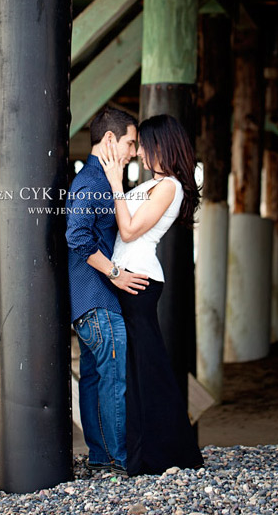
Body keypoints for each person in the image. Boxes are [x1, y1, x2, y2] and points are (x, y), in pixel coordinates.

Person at [100, 113, 204, 476]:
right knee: (140, 369)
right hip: (131, 277)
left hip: (139, 280)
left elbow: (128, 231)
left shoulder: (170, 187)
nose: (141, 152)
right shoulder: (154, 184)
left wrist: (115, 181)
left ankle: (167, 453)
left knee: (148, 369)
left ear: (163, 144)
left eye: (144, 144)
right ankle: (147, 454)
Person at [65, 106, 150, 476]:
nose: (133, 152)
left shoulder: (99, 180)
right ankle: (117, 460)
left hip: (88, 302)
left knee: (96, 380)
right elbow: (76, 235)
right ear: (111, 139)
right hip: (98, 300)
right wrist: (115, 273)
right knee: (112, 381)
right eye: (130, 143)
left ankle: (103, 459)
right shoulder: (94, 183)